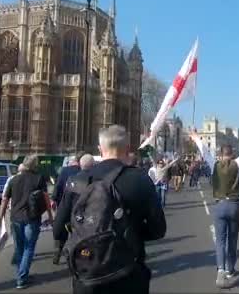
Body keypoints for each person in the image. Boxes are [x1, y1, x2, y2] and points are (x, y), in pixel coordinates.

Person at [57, 125, 166, 294]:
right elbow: (158, 229)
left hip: (87, 274)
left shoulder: (75, 181)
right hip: (127, 273)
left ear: (100, 149)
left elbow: (58, 228)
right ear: (128, 149)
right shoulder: (140, 180)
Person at [190, 128, 239, 289]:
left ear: (220, 155)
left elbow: (204, 150)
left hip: (219, 205)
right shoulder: (237, 163)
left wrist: (195, 138)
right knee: (232, 239)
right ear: (232, 154)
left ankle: (220, 270)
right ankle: (230, 269)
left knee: (220, 240)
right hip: (234, 205)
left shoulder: (214, 164)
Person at [0, 155, 54, 289]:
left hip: (16, 218)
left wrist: (1, 215)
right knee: (29, 248)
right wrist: (51, 216)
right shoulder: (39, 178)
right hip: (32, 218)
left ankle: (21, 275)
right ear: (35, 165)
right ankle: (22, 278)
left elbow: (5, 199)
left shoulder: (13, 179)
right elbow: (46, 199)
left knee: (19, 248)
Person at [52, 154, 95, 265]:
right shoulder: (97, 179)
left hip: (71, 211)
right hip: (88, 216)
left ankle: (63, 252)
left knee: (68, 232)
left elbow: (60, 190)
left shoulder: (70, 177)